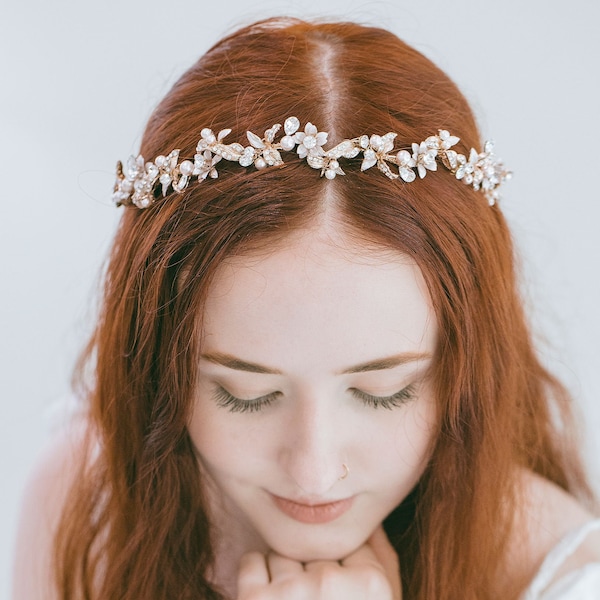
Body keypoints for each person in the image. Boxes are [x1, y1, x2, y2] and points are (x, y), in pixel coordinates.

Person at [12, 16, 600, 600]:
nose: (313, 473)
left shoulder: (568, 580)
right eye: (245, 395)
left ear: (466, 365)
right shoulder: (89, 505)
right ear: (160, 363)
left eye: (383, 391)